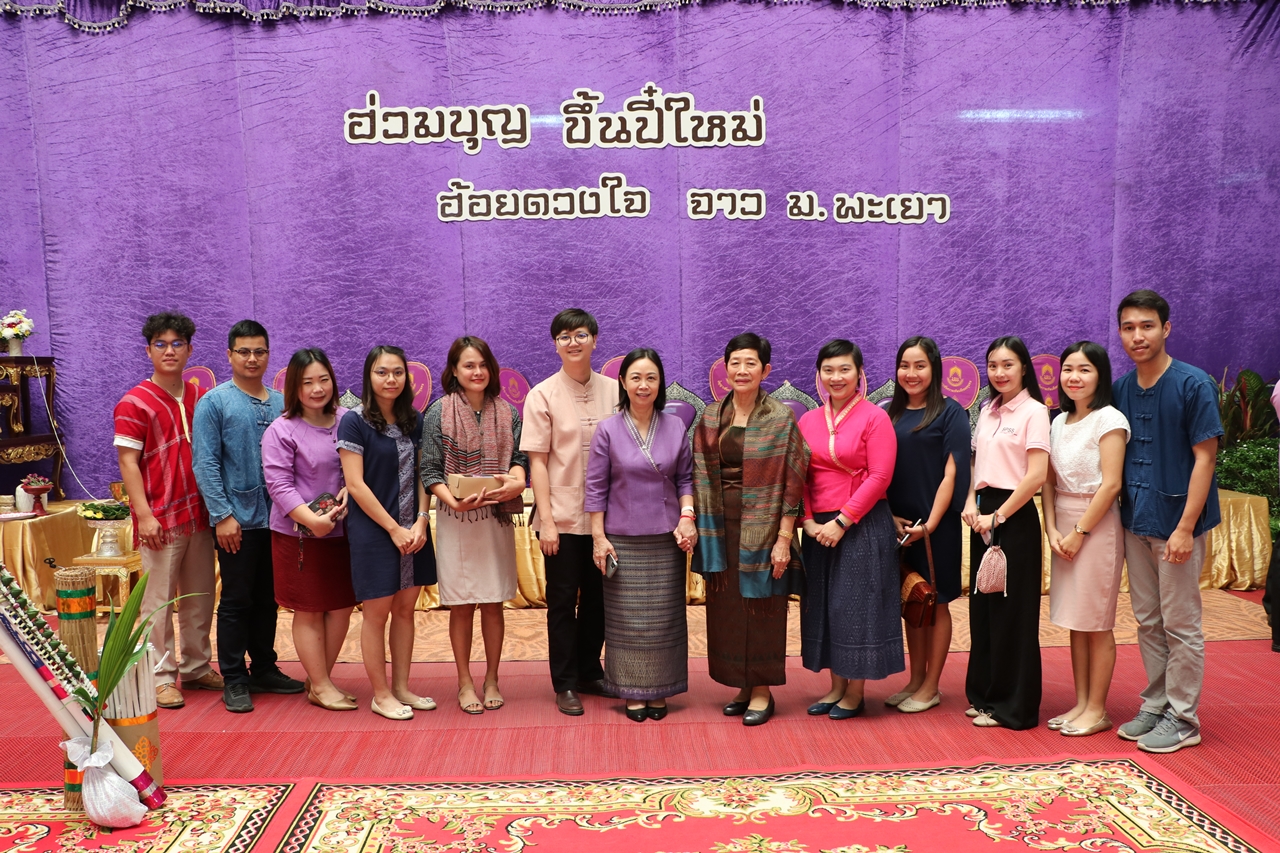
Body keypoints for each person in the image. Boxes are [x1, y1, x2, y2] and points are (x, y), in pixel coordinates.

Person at [1112, 289, 1223, 753]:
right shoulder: (1120, 388)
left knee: (1181, 624)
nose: (1137, 336)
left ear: (1166, 329)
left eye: (1147, 326)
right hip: (1135, 520)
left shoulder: (1193, 384)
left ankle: (1183, 718)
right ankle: (1157, 703)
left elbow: (1205, 459)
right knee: (1148, 621)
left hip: (1177, 524)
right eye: (1128, 328)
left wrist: (1184, 527)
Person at [693, 333, 809, 727]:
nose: (742, 370)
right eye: (735, 363)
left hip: (764, 526)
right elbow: (699, 471)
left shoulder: (779, 417)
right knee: (727, 607)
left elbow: (794, 480)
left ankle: (762, 690)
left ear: (765, 370)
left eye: (751, 363)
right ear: (724, 369)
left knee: (762, 607)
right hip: (719, 528)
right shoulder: (711, 415)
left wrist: (784, 538)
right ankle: (741, 684)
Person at [192, 320, 303, 714]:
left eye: (259, 351)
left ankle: (264, 669)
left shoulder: (281, 403)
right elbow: (205, 463)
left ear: (268, 355)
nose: (252, 358)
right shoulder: (214, 403)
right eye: (244, 351)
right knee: (237, 600)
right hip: (236, 521)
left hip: (278, 521)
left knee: (268, 599)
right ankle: (235, 678)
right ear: (229, 355)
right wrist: (222, 515)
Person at [113, 312, 221, 710]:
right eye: (161, 344)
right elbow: (128, 462)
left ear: (190, 349)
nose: (169, 351)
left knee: (200, 597)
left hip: (200, 513)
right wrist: (143, 515)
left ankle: (195, 667)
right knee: (157, 602)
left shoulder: (201, 398)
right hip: (159, 517)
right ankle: (159, 677)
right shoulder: (134, 402)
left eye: (177, 344)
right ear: (148, 351)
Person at [585, 348, 696, 722]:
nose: (643, 385)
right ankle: (631, 691)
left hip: (665, 537)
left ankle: (661, 688)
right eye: (635, 377)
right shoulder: (608, 429)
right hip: (621, 538)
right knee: (627, 623)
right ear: (623, 382)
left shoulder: (675, 426)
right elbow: (595, 488)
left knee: (664, 619)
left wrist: (687, 516)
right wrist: (598, 538)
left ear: (660, 382)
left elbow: (686, 479)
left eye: (651, 377)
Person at [521, 308, 620, 716]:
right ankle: (564, 682)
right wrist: (546, 520)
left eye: (580, 335)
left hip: (608, 518)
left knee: (600, 599)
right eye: (564, 336)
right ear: (555, 345)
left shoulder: (616, 390)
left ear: (594, 340)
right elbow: (538, 462)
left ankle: (589, 671)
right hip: (560, 516)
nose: (573, 342)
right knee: (562, 601)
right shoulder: (542, 394)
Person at [421, 336, 528, 715]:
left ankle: (492, 679)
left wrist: (516, 481)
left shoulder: (508, 413)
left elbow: (520, 459)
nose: (477, 372)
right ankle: (465, 681)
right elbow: (429, 469)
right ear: (454, 370)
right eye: (468, 365)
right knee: (462, 605)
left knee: (494, 603)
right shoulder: (438, 412)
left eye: (483, 365)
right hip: (456, 519)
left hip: (496, 519)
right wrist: (452, 501)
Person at [798, 339, 901, 720]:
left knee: (855, 606)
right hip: (818, 528)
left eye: (845, 369)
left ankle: (855, 692)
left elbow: (880, 477)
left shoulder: (875, 417)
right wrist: (808, 521)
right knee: (825, 605)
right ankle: (836, 686)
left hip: (861, 523)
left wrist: (842, 521)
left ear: (859, 374)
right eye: (829, 370)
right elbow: (800, 476)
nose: (836, 377)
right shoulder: (808, 420)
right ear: (819, 375)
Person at [338, 345, 437, 721]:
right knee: (376, 614)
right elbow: (355, 485)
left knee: (406, 611)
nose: (390, 379)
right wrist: (394, 529)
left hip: (415, 528)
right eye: (382, 372)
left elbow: (426, 473)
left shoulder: (416, 419)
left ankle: (402, 687)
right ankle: (380, 695)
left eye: (397, 372)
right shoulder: (355, 421)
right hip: (375, 530)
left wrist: (422, 521)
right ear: (369, 376)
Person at [261, 348, 358, 712]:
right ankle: (320, 683)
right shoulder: (282, 429)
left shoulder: (349, 420)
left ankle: (321, 681)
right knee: (310, 609)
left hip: (344, 532)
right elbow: (279, 484)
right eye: (308, 382)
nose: (318, 389)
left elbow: (359, 468)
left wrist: (350, 489)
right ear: (294, 388)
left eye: (324, 380)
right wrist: (310, 519)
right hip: (299, 534)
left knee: (342, 606)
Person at [961, 335, 1050, 730]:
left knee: (1013, 615)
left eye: (1008, 364)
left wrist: (997, 517)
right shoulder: (987, 409)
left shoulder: (1035, 412)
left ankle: (1014, 707)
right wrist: (970, 503)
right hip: (981, 514)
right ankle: (984, 696)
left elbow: (1036, 476)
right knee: (983, 611)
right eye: (993, 365)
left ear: (1024, 368)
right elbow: (975, 463)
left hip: (1013, 517)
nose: (999, 372)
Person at [1041, 341, 1129, 737]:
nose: (1074, 377)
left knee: (1096, 621)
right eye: (1068, 369)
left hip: (1096, 525)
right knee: (1075, 621)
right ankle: (1080, 703)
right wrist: (1051, 529)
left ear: (1100, 375)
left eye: (1084, 369)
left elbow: (1111, 485)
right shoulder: (1058, 421)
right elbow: (1047, 482)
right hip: (1063, 521)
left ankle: (1097, 709)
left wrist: (1079, 533)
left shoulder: (1109, 419)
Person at [885, 336, 971, 714]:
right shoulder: (890, 414)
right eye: (905, 365)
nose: (912, 373)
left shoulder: (951, 413)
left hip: (937, 526)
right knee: (913, 600)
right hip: (900, 527)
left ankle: (931, 686)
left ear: (934, 369)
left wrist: (931, 525)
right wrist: (889, 518)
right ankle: (915, 679)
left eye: (920, 365)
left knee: (937, 603)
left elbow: (953, 472)